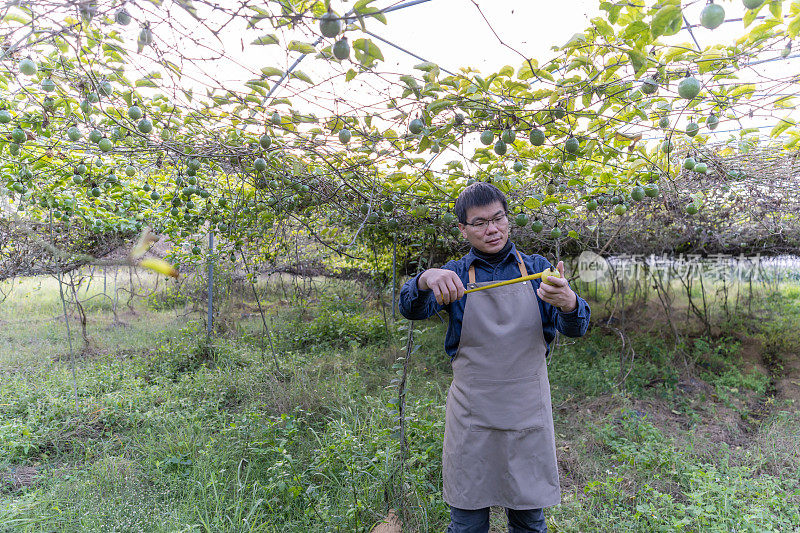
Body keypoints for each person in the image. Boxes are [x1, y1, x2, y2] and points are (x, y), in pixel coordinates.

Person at [398, 182, 591, 533]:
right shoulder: (453, 277)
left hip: (526, 411)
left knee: (529, 520)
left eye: (498, 218)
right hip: (473, 415)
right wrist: (426, 278)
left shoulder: (538, 268)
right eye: (480, 222)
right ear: (463, 229)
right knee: (468, 522)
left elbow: (576, 327)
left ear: (508, 219)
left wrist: (570, 303)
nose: (492, 229)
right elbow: (411, 309)